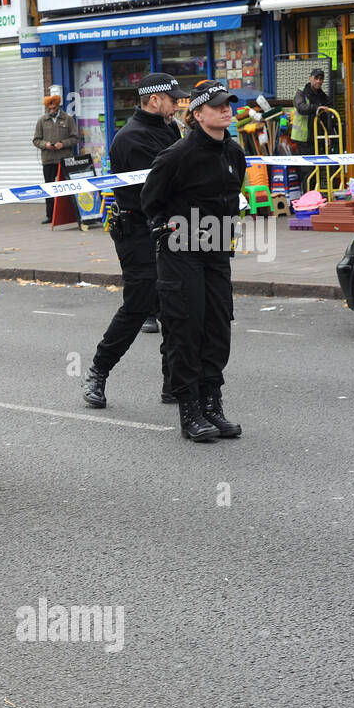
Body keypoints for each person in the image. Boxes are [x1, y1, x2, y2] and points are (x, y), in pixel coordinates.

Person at [141, 80, 246, 442]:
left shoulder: (234, 154)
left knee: (218, 327)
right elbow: (150, 202)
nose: (225, 109)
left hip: (216, 249)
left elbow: (232, 199)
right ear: (198, 114)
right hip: (181, 249)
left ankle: (212, 405)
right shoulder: (177, 155)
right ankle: (189, 411)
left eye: (228, 104)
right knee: (187, 328)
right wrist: (163, 228)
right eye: (217, 105)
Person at [82, 73, 188, 409]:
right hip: (137, 231)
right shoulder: (131, 138)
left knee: (174, 304)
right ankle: (98, 372)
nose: (177, 105)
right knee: (140, 304)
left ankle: (173, 383)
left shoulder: (169, 128)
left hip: (168, 227)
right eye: (173, 100)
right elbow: (158, 189)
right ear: (154, 100)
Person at [32, 93, 79, 224]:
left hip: (64, 159)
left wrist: (63, 144)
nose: (51, 110)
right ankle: (50, 215)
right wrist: (45, 145)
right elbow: (36, 140)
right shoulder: (41, 121)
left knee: (67, 187)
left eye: (54, 108)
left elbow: (75, 138)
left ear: (58, 106)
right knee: (49, 188)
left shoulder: (68, 119)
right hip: (48, 160)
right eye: (49, 108)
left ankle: (72, 214)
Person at [292, 68, 331, 157]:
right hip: (304, 139)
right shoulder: (301, 92)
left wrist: (328, 135)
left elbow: (326, 118)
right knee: (307, 169)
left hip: (318, 138)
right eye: (316, 78)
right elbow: (301, 108)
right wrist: (317, 107)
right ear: (310, 78)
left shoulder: (323, 96)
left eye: (321, 79)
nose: (318, 81)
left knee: (320, 167)